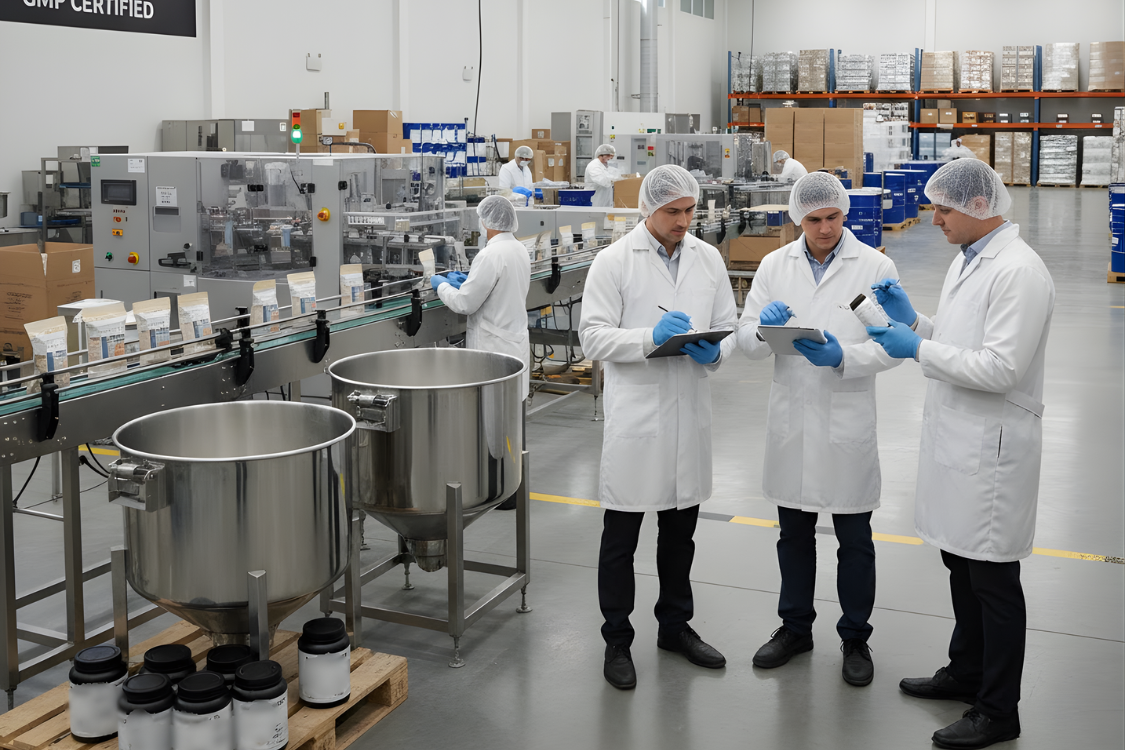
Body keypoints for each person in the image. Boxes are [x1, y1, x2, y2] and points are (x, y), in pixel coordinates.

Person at [866, 159, 1054, 750]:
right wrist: (915, 321)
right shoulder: (969, 257)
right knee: (961, 565)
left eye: (943, 208)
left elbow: (1000, 368)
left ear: (978, 206)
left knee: (994, 581)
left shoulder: (1019, 271)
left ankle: (998, 710)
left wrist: (916, 348)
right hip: (958, 440)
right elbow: (957, 340)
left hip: (993, 449)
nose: (934, 218)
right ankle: (966, 671)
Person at [735, 172, 901, 688]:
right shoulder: (773, 266)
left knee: (855, 540)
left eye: (833, 217)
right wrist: (762, 328)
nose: (825, 228)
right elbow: (746, 341)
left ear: (844, 213)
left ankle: (855, 637)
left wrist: (842, 357)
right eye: (814, 219)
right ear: (796, 219)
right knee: (794, 536)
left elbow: (893, 346)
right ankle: (795, 629)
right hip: (793, 419)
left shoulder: (874, 266)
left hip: (847, 417)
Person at [578, 165, 738, 690]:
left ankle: (675, 627)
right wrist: (650, 337)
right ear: (647, 208)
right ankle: (617, 639)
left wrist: (716, 351)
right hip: (638, 418)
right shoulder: (614, 261)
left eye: (690, 210)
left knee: (679, 537)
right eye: (673, 211)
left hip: (688, 414)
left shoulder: (708, 258)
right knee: (620, 541)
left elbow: (729, 325)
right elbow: (593, 338)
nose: (683, 221)